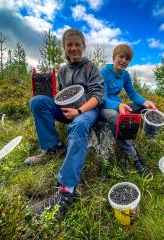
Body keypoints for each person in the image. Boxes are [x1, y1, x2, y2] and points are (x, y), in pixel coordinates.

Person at [24, 29, 104, 215]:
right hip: (66, 109)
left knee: (80, 123)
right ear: (64, 48)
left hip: (87, 110)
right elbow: (60, 95)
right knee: (37, 102)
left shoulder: (91, 67)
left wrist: (78, 111)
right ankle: (52, 147)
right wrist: (56, 102)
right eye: (70, 45)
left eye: (77, 44)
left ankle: (68, 191)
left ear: (83, 46)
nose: (74, 48)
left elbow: (98, 96)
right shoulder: (63, 70)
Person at [100, 44, 157, 176]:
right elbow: (101, 97)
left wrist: (146, 102)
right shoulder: (104, 72)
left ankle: (149, 137)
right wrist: (117, 106)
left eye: (127, 59)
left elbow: (133, 94)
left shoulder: (125, 75)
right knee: (116, 117)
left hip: (119, 105)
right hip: (104, 107)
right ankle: (134, 158)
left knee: (144, 107)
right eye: (121, 56)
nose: (124, 61)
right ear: (114, 57)